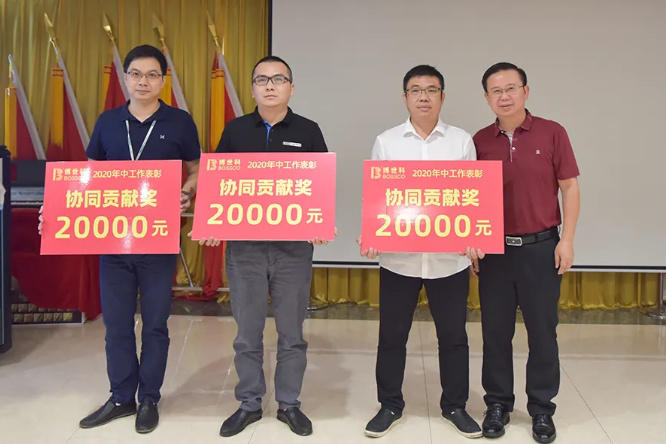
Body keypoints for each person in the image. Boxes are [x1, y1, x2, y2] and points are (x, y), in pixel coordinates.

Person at [39, 44, 201, 434]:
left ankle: (149, 399)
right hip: (114, 242)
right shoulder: (108, 121)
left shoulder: (180, 122)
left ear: (163, 80)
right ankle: (121, 397)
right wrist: (57, 209)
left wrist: (187, 191)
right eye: (136, 74)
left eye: (152, 74)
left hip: (158, 239)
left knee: (156, 324)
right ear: (126, 77)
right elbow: (89, 177)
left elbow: (197, 169)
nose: (143, 81)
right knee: (116, 324)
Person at [206, 55, 333, 438]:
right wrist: (212, 222)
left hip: (293, 251)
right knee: (247, 333)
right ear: (252, 89)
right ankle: (249, 403)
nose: (270, 86)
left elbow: (321, 183)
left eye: (278, 79)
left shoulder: (308, 130)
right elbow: (218, 182)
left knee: (292, 333)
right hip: (245, 250)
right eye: (262, 80)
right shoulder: (235, 130)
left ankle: (289, 404)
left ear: (291, 88)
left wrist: (321, 222)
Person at [356, 65, 483, 439]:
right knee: (392, 336)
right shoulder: (387, 141)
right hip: (399, 260)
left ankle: (455, 406)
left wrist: (474, 238)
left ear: (443, 97)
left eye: (431, 89)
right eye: (415, 90)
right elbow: (375, 196)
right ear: (405, 98)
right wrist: (370, 232)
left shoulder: (461, 141)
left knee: (454, 337)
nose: (423, 96)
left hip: (449, 261)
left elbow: (472, 198)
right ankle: (389, 405)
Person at [471, 62, 580, 443]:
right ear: (487, 98)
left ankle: (542, 408)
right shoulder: (479, 141)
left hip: (542, 248)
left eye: (511, 88)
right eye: (496, 91)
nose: (504, 96)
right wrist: (473, 242)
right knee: (495, 332)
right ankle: (497, 404)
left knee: (543, 333)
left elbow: (569, 187)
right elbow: (469, 197)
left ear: (525, 91)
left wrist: (567, 240)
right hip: (495, 252)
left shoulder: (552, 132)